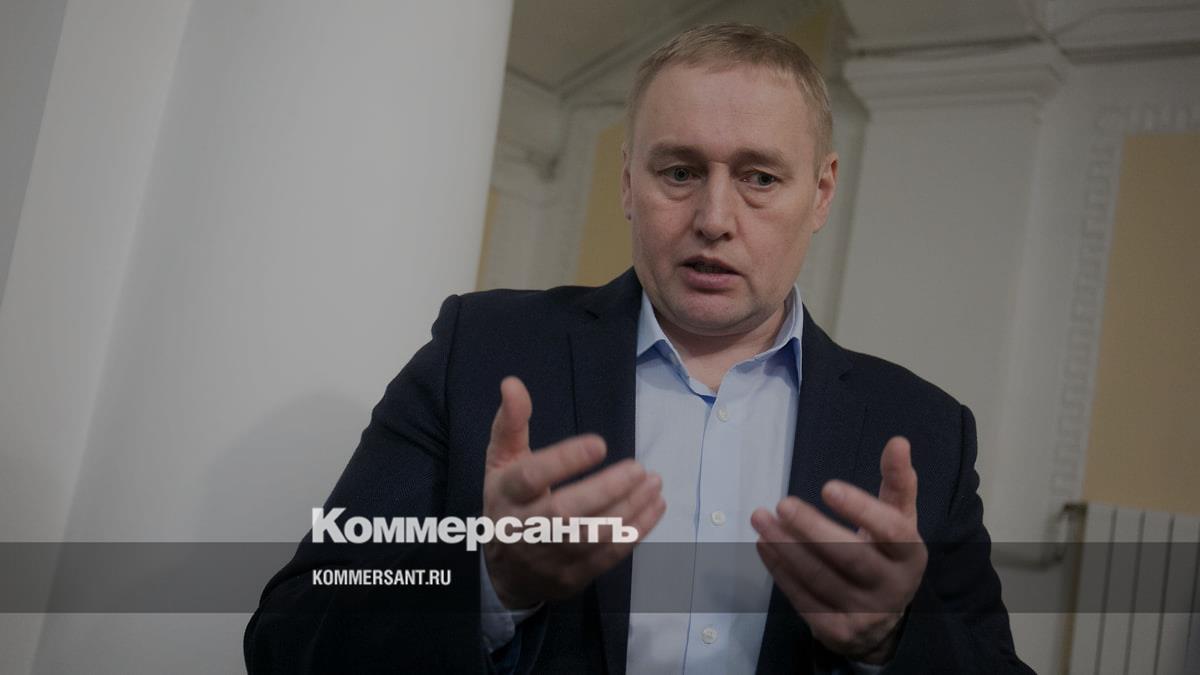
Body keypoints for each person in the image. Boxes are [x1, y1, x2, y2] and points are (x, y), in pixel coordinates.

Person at [245, 23, 1032, 674]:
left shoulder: (926, 430)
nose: (714, 218)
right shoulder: (478, 353)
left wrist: (890, 640)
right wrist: (489, 584)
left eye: (760, 178)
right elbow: (289, 637)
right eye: (680, 171)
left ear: (820, 193)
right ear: (628, 180)